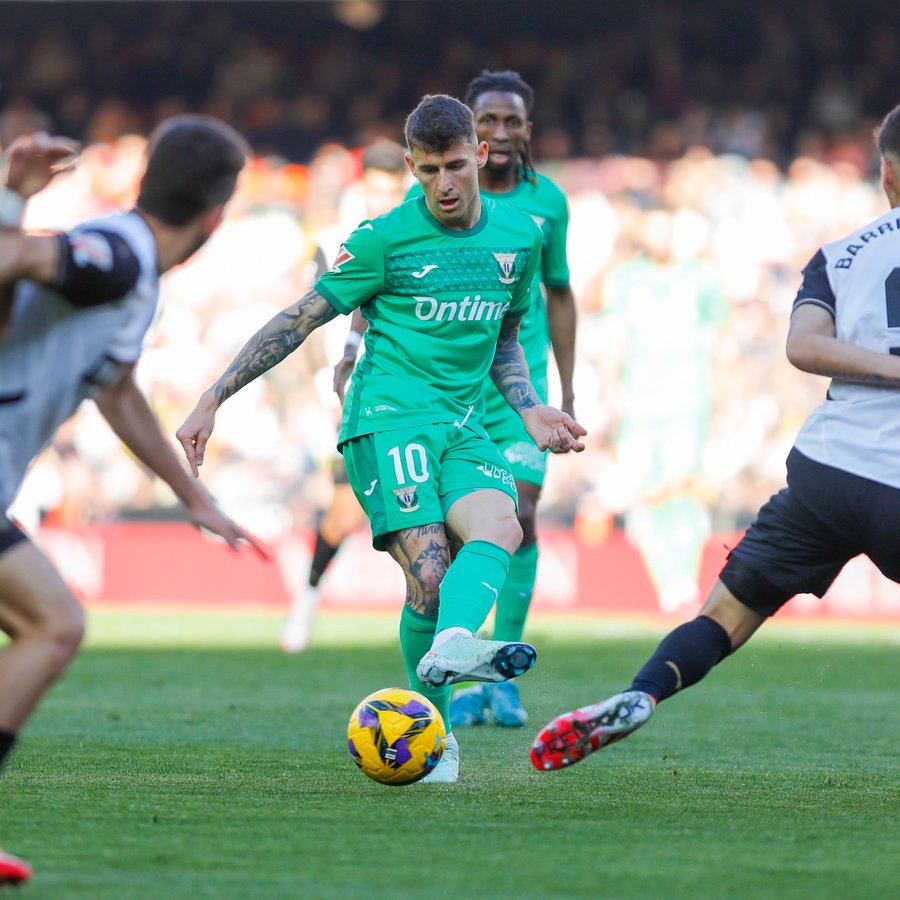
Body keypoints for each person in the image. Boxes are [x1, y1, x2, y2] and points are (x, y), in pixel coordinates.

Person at [177, 94, 586, 783]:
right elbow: (298, 319)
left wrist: (529, 407)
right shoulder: (383, 240)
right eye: (428, 171)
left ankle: (455, 645)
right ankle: (440, 736)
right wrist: (214, 395)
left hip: (462, 422)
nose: (445, 184)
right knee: (429, 575)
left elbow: (507, 338)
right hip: (386, 420)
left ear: (480, 156)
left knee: (502, 522)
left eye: (456, 165)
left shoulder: (520, 236)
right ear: (412, 167)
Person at [530, 101, 900, 772]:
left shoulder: (841, 254)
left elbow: (803, 345)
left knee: (728, 613)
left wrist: (883, 365)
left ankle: (641, 694)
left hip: (828, 472)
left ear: (888, 175)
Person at [0, 119, 265, 884]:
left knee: (50, 624)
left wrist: (193, 498)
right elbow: (12, 255)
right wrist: (12, 200)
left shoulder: (129, 266)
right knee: (52, 625)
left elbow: (117, 392)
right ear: (216, 216)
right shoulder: (119, 257)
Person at [434, 70, 578, 729]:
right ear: (469, 129)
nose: (497, 131)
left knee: (521, 510)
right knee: (465, 525)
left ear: (527, 129)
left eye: (510, 120)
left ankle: (503, 677)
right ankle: (464, 667)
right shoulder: (445, 195)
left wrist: (568, 387)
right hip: (459, 385)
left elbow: (560, 293)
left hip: (521, 383)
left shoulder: (548, 203)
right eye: (485, 119)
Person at [280, 139, 410, 653]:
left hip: (406, 388)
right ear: (362, 188)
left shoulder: (420, 236)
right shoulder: (334, 240)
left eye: (393, 187)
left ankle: (448, 619)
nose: (385, 196)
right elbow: (310, 314)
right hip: (349, 393)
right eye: (376, 187)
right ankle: (308, 597)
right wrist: (319, 382)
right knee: (343, 514)